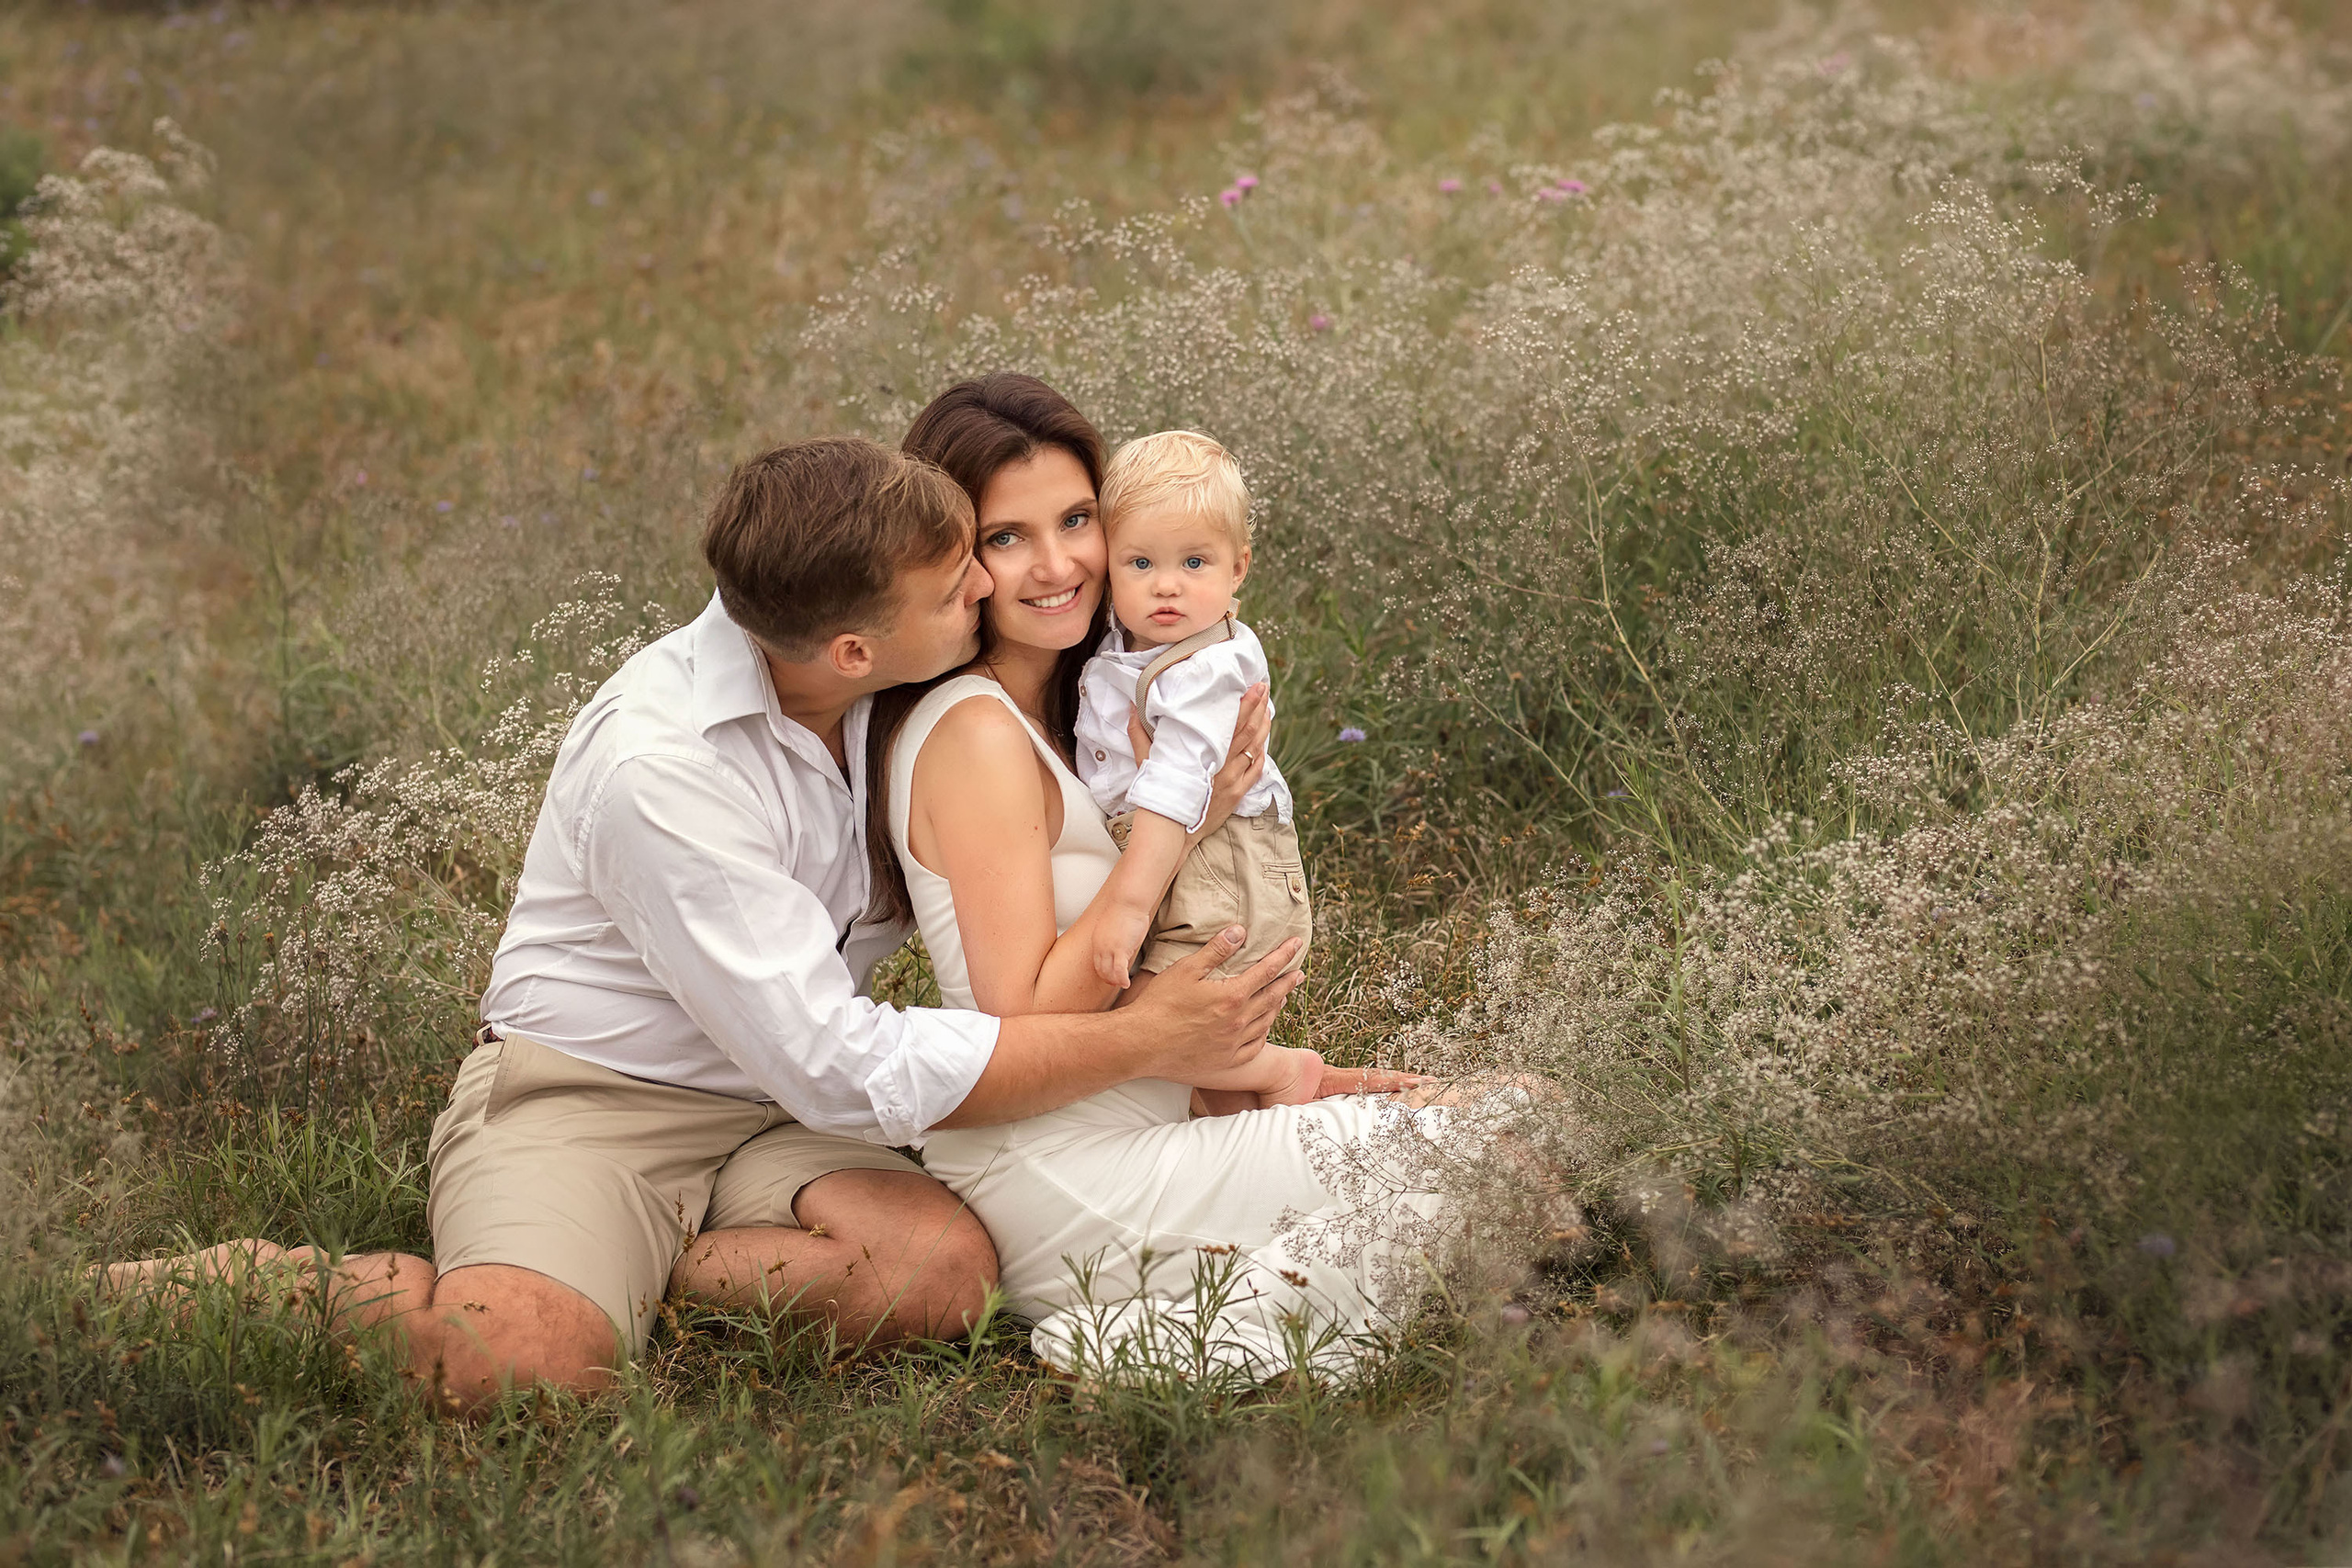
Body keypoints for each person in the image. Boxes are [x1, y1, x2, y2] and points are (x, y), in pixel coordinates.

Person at [103, 435, 1306, 1412]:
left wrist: (1186, 802)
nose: (991, 586)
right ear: (853, 645)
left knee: (942, 1276)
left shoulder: (884, 689)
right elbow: (840, 1054)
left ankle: (638, 1271)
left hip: (774, 1107)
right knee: (521, 1366)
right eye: (958, 586)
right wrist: (1151, 1039)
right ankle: (204, 1290)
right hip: (600, 1095)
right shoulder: (663, 766)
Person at [885, 376, 1505, 1381]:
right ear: (957, 560)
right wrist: (1189, 825)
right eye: (1007, 537)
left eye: (1077, 520)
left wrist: (1272, 1081)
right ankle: (1143, 1336)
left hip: (1156, 1112)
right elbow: (1021, 1011)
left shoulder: (1084, 703)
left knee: (1512, 1118)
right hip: (1059, 1167)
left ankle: (1246, 1279)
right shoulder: (974, 736)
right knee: (1480, 1161)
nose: (1056, 564)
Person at [1075, 428, 1322, 1109]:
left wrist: (1128, 907)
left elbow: (1179, 778)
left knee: (1168, 1025)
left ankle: (1276, 1072)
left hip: (1226, 869)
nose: (1166, 586)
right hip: (1180, 856)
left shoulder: (1208, 667)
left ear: (1238, 568)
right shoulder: (1129, 640)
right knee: (1192, 1079)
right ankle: (1251, 1144)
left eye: (1194, 562)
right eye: (1140, 563)